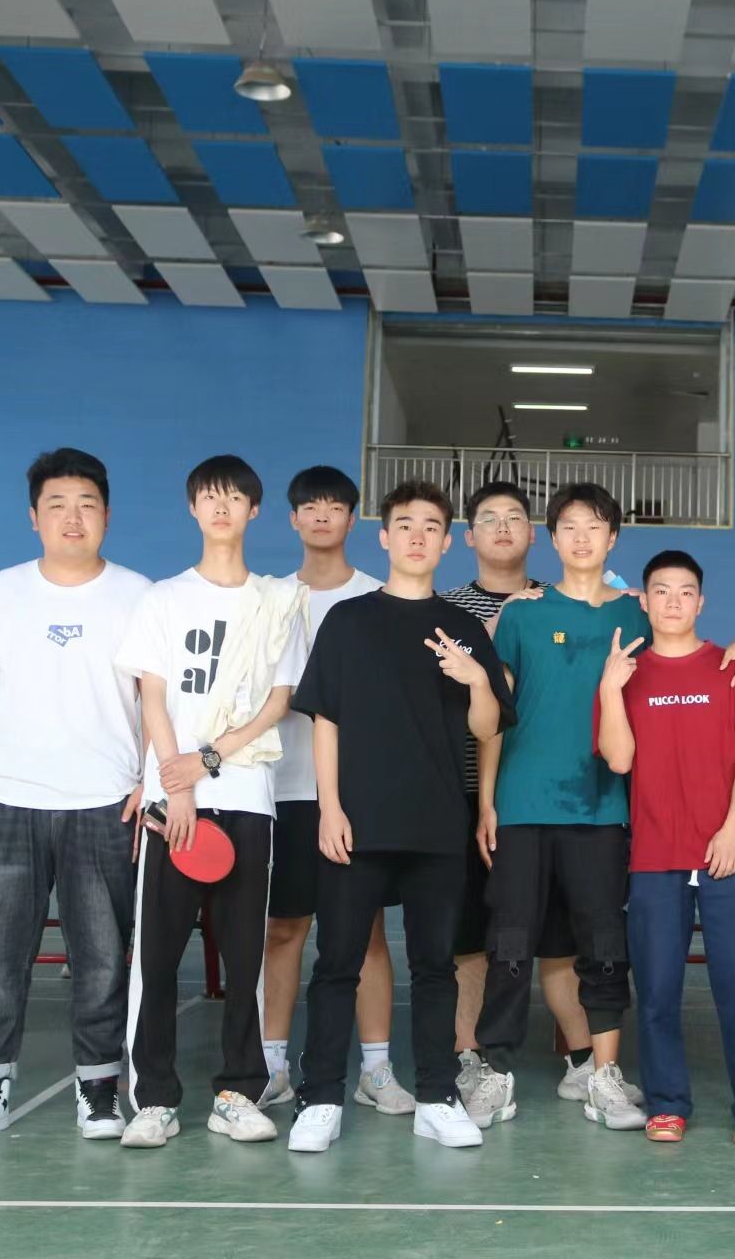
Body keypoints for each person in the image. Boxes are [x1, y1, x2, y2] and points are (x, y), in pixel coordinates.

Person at [461, 482, 735, 1131]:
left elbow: (693, 645)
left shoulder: (636, 612)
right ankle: (496, 1073)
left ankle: (603, 1076)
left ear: (613, 538)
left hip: (603, 808)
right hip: (523, 803)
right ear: (552, 537)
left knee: (602, 947)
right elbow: (494, 721)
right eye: (568, 527)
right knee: (509, 943)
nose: (581, 538)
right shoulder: (521, 614)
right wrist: (487, 801)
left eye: (594, 527)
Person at [288, 480, 514, 1152]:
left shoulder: (463, 628)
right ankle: (320, 1098)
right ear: (384, 537)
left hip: (437, 824)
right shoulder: (349, 621)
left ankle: (439, 1097)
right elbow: (326, 720)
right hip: (356, 823)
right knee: (337, 963)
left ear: (446, 543)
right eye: (405, 525)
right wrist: (329, 806)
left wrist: (476, 679)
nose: (418, 536)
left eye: (431, 527)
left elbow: (488, 727)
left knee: (435, 966)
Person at [0, 449, 150, 1144]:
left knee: (101, 960)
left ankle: (99, 1089)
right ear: (34, 517)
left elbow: (156, 700)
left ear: (107, 515)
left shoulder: (139, 594)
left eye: (86, 504)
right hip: (5, 799)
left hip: (106, 803)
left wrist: (148, 780)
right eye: (57, 504)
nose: (72, 517)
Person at [114, 455, 308, 1150]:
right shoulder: (163, 599)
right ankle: (153, 1100)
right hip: (174, 805)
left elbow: (278, 702)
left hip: (247, 797)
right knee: (157, 958)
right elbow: (153, 698)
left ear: (254, 510)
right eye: (209, 497)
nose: (221, 508)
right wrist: (179, 787)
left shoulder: (277, 603)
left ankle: (237, 1093)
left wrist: (212, 760)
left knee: (246, 958)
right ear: (192, 509)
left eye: (234, 498)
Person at [595, 550, 735, 1145]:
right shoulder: (626, 674)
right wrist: (612, 690)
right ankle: (667, 1103)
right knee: (656, 990)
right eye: (661, 591)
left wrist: (731, 828)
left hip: (729, 852)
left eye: (685, 592)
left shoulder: (733, 668)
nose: (673, 602)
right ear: (644, 601)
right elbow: (618, 759)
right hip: (655, 854)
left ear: (701, 602)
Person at [438, 481, 602, 1106]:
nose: (502, 527)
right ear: (468, 536)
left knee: (559, 938)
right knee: (471, 940)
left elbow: (655, 617)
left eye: (515, 517)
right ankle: (471, 1058)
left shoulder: (565, 599)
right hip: (463, 795)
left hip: (544, 799)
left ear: (536, 534)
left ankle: (584, 1059)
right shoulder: (446, 607)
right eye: (488, 518)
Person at [259, 466, 405, 1116]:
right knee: (284, 928)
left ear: (353, 519)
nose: (322, 516)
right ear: (293, 519)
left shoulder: (380, 597)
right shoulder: (269, 599)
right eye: (310, 507)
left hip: (358, 796)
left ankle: (376, 1069)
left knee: (365, 933)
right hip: (285, 788)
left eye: (335, 506)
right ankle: (272, 1065)